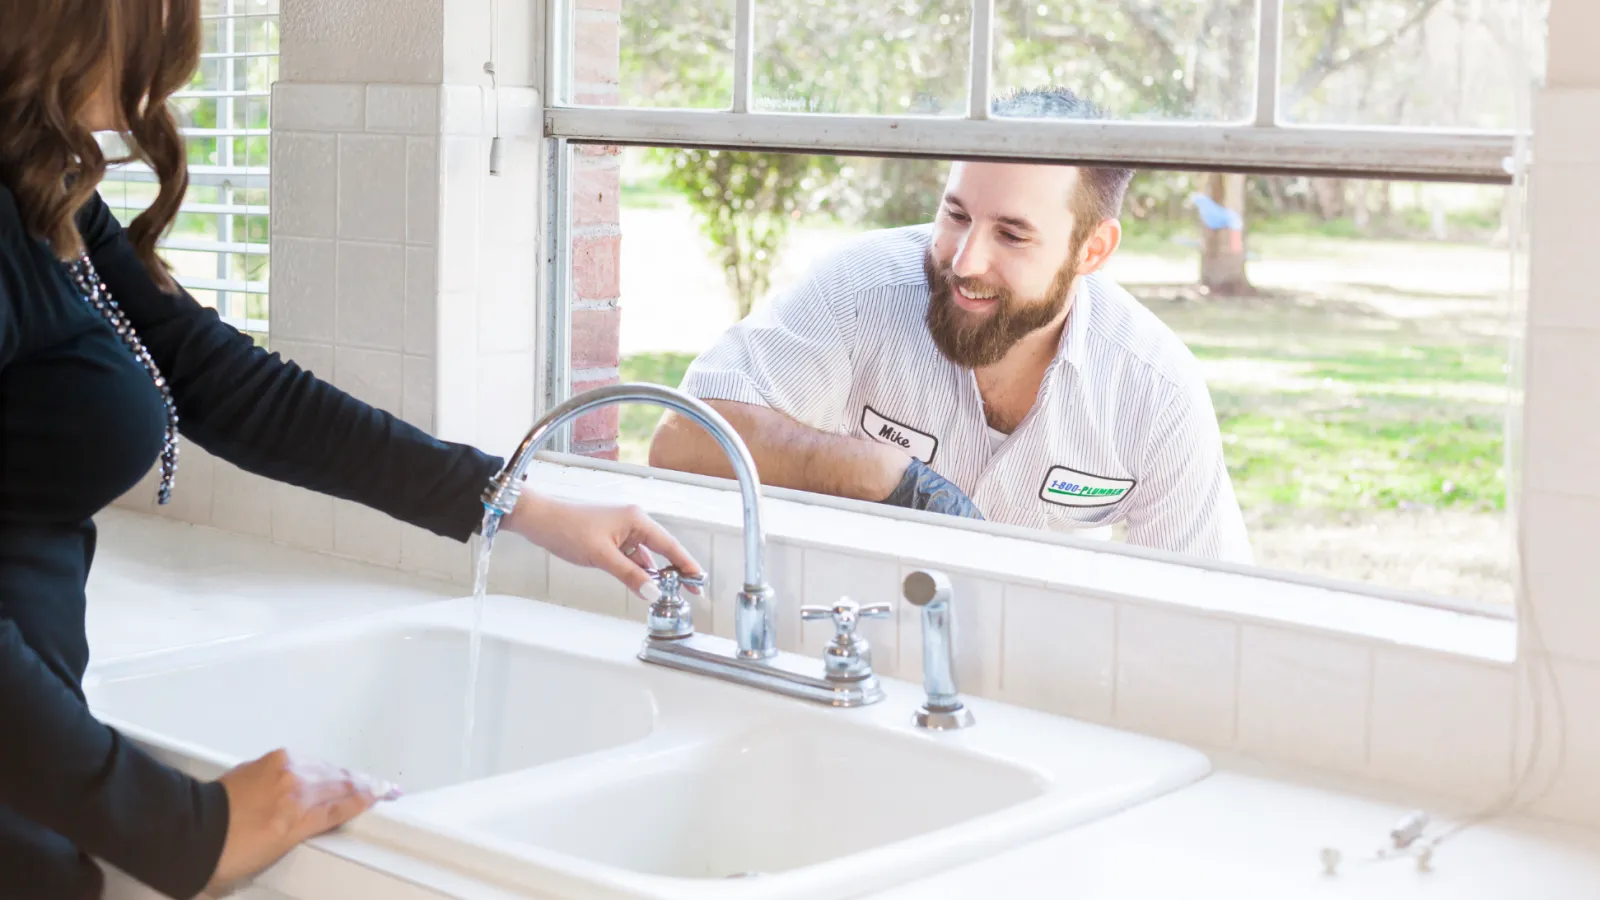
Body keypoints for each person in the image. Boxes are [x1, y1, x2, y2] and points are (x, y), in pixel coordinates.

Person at [0, 2, 702, 897]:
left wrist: (516, 504)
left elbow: (225, 385)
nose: (180, 35)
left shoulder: (40, 185)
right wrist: (180, 829)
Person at [650, 87, 1252, 564]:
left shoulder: (1155, 388)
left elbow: (1207, 601)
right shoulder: (861, 292)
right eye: (956, 214)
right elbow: (679, 441)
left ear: (1092, 250)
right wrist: (874, 472)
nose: (964, 262)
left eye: (1012, 234)